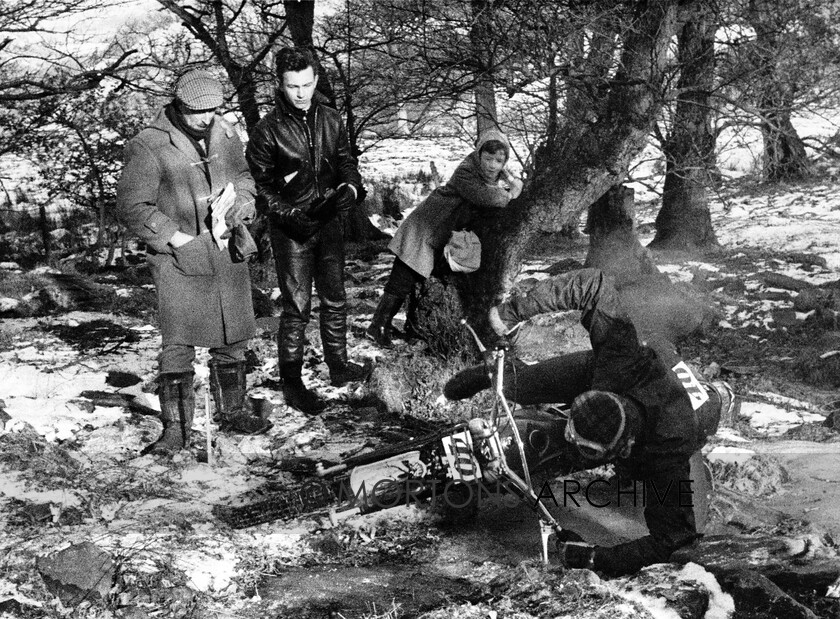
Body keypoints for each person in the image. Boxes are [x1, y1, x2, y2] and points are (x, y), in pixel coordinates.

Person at [444, 268, 735, 575]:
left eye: (592, 449)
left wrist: (595, 558)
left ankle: (511, 464)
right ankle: (498, 380)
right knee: (522, 384)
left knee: (688, 525)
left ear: (626, 447)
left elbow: (674, 539)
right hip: (622, 375)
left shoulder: (670, 447)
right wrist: (513, 312)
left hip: (664, 416)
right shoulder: (620, 358)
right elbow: (594, 284)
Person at [115, 69, 272, 456]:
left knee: (234, 335)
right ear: (179, 106)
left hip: (226, 248)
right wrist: (175, 237)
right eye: (197, 112)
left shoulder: (226, 131)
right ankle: (176, 431)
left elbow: (244, 176)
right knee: (178, 342)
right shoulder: (148, 145)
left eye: (213, 110)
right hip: (177, 257)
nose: (206, 119)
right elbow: (132, 206)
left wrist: (244, 203)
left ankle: (233, 411)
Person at [246, 47, 367, 415]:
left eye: (307, 84)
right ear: (280, 85)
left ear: (316, 80)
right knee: (297, 308)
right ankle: (293, 383)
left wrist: (350, 188)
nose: (300, 93)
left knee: (335, 298)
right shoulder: (267, 130)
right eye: (292, 86)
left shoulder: (330, 118)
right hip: (291, 230)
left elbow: (346, 160)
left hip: (329, 223)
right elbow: (259, 187)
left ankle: (339, 365)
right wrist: (290, 215)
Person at [365, 129, 523, 348]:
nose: (492, 165)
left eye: (499, 160)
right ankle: (378, 326)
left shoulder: (493, 175)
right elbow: (486, 196)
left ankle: (384, 323)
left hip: (439, 231)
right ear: (478, 155)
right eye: (488, 158)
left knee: (412, 277)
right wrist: (512, 192)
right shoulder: (467, 171)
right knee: (402, 277)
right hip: (426, 227)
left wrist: (509, 180)